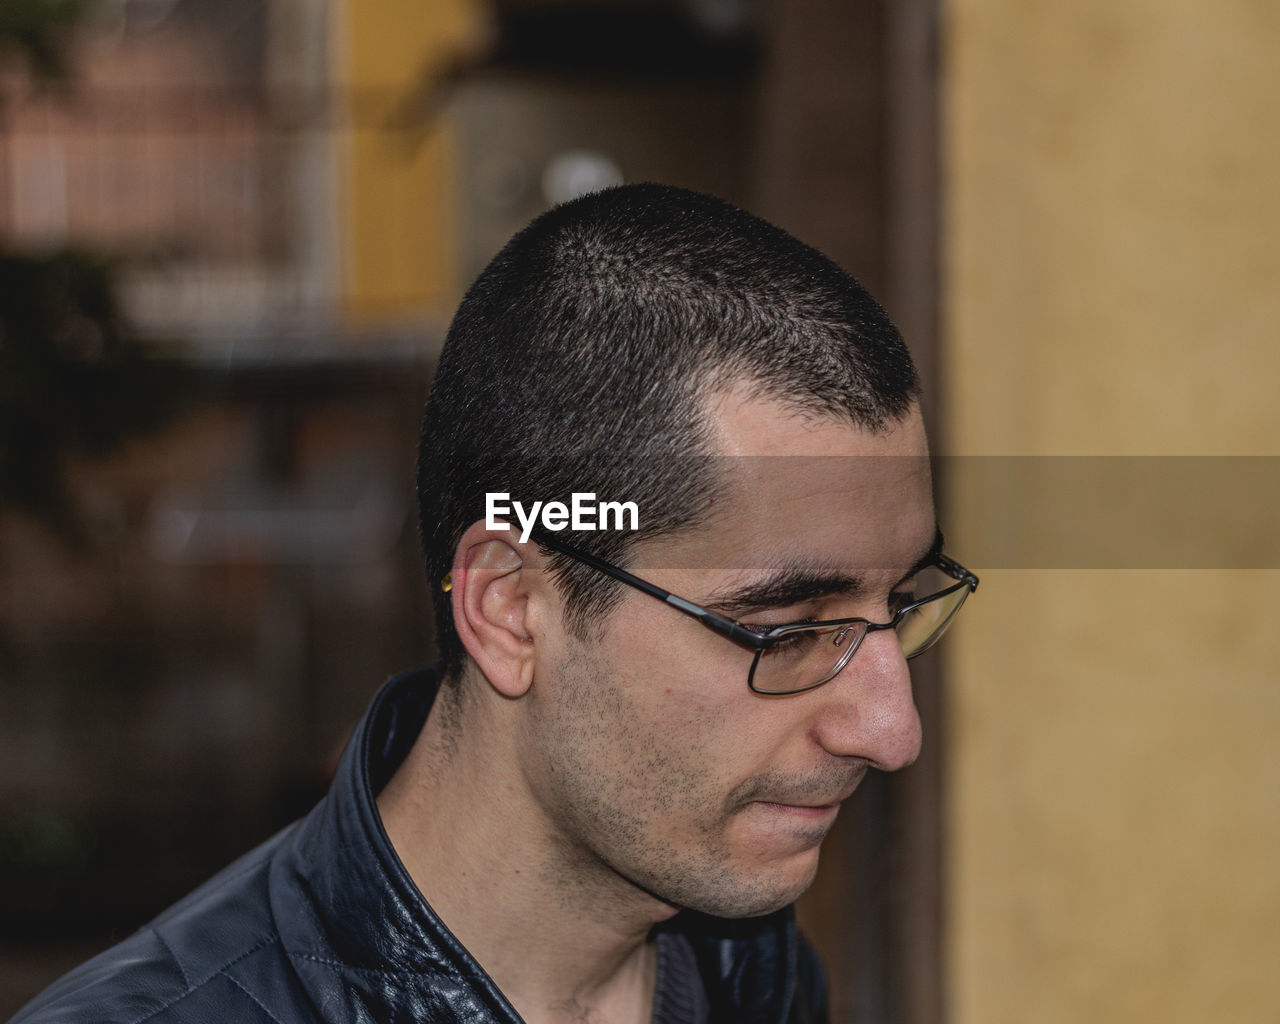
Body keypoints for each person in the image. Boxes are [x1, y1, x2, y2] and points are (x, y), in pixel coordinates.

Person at [10, 184, 977, 1024]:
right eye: (788, 628)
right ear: (512, 610)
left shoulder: (747, 966)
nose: (892, 730)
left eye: (898, 606)